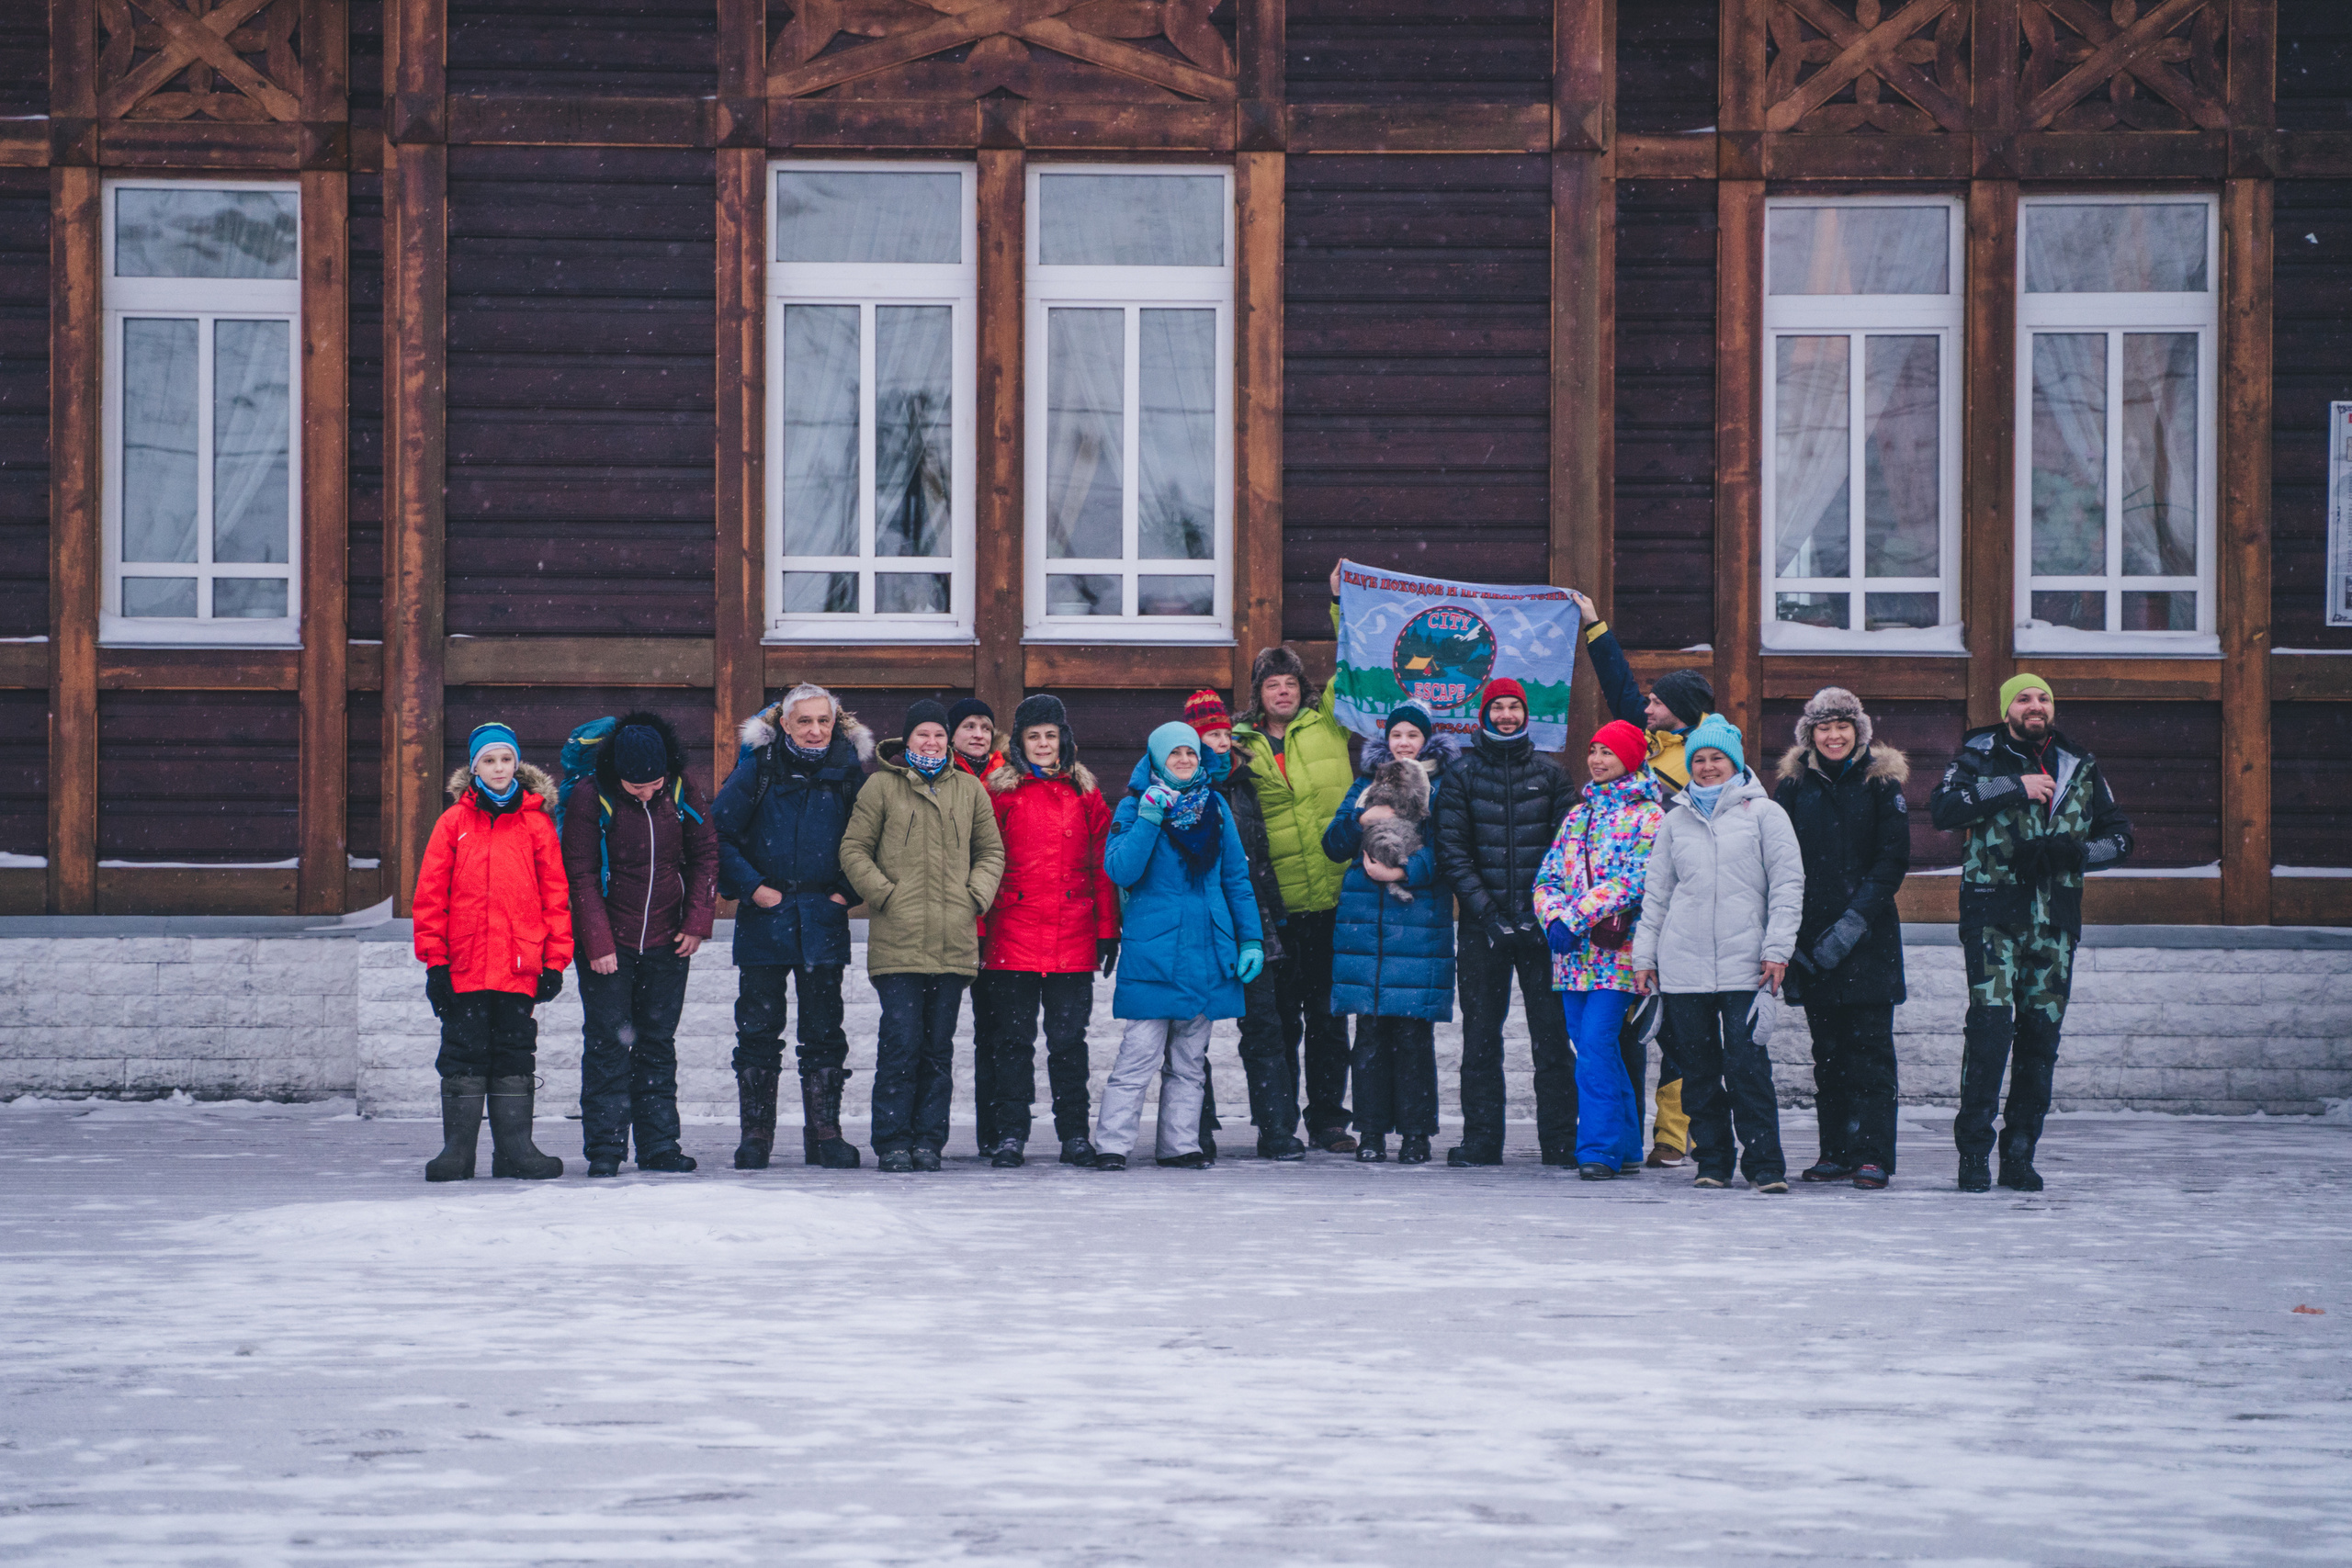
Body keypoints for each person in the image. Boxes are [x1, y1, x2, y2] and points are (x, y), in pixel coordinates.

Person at [1929, 673, 2132, 1193]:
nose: (2035, 705)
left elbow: (2122, 840)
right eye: (2024, 698)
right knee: (1991, 1034)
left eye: (2042, 698)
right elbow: (1944, 810)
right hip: (1994, 915)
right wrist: (2012, 787)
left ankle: (2020, 1153)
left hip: (2055, 922)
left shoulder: (2078, 764)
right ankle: (1974, 1153)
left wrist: (2080, 854)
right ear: (2007, 710)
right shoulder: (1979, 755)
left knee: (2040, 1040)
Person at [1630, 716, 1804, 1193]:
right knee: (1699, 1073)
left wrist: (1777, 949)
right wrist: (1644, 958)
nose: (1707, 768)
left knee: (1747, 1069)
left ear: (1735, 763)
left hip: (1746, 964)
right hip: (1683, 966)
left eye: (1716, 759)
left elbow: (1788, 886)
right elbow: (1657, 896)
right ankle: (1713, 1161)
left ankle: (1765, 1165)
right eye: (1699, 760)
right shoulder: (1675, 819)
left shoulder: (1765, 815)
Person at [1566, 588, 1702, 1167]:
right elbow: (1620, 685)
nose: (1644, 708)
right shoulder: (1643, 743)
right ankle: (1624, 1135)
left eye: (1656, 702)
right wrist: (1594, 625)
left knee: (1679, 1028)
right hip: (1629, 919)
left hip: (1682, 908)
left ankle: (1675, 1134)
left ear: (1682, 708)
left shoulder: (1706, 754)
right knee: (1633, 1027)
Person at [840, 699, 1006, 1172]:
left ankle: (929, 1142)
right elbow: (854, 849)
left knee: (938, 1049)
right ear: (906, 740)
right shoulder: (881, 787)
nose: (930, 742)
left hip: (953, 940)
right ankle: (892, 1141)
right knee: (901, 1045)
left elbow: (991, 851)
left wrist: (974, 896)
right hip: (899, 941)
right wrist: (884, 895)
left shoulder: (970, 790)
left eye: (937, 734)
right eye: (922, 735)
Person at [1091, 722, 1265, 1170]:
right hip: (1154, 950)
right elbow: (1121, 870)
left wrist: (1251, 940)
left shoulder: (1216, 807)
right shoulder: (1134, 806)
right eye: (1175, 754)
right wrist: (1150, 818)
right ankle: (1112, 1145)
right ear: (1156, 759)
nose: (1185, 760)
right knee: (1138, 1057)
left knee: (1190, 1060)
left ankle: (1179, 1144)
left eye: (1191, 752)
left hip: (1208, 948)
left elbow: (1235, 880)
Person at [717, 684, 873, 1170]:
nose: (814, 730)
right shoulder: (757, 769)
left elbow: (873, 839)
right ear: (784, 724)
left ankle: (825, 1134)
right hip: (765, 914)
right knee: (759, 1030)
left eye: (822, 721)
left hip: (823, 917)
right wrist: (752, 887)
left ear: (835, 723)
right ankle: (756, 1136)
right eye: (803, 721)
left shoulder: (849, 772)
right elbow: (718, 836)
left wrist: (846, 892)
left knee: (825, 1032)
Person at [1229, 575, 1359, 1153]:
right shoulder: (1235, 744)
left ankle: (1329, 1119)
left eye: (1290, 684)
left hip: (1333, 899)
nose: (1282, 693)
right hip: (1272, 907)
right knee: (1275, 1023)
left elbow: (1357, 658)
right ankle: (1274, 1123)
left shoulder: (1327, 720)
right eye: (1271, 685)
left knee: (1329, 1022)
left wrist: (1341, 601)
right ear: (1257, 693)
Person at [562, 711, 718, 1178]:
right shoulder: (591, 797)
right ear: (618, 776)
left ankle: (659, 1146)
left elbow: (706, 854)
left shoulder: (681, 788)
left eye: (654, 784)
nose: (647, 793)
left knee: (656, 1044)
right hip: (609, 943)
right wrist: (597, 941)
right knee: (609, 1044)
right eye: (637, 787)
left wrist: (696, 922)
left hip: (669, 941)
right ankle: (606, 1149)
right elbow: (581, 873)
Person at [1433, 674, 1580, 1166]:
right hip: (1483, 929)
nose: (1506, 716)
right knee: (1479, 1038)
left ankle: (1559, 1141)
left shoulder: (1552, 774)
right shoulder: (1463, 775)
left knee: (1553, 1040)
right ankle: (1481, 1140)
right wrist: (1489, 915)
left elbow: (1568, 852)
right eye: (1497, 708)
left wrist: (1543, 915)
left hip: (1545, 930)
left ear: (1525, 714)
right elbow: (1453, 852)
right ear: (1484, 714)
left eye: (1514, 707)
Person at [414, 722, 571, 1182]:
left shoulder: (537, 824)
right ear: (475, 767)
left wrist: (555, 961)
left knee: (514, 1052)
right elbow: (430, 898)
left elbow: (555, 898)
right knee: (463, 1052)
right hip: (464, 964)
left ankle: (516, 1151)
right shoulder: (453, 823)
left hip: (520, 964)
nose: (499, 768)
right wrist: (435, 962)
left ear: (516, 764)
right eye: (489, 760)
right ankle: (457, 1153)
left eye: (506, 759)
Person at [1774, 688, 1911, 1190]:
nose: (1833, 736)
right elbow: (1780, 861)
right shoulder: (1793, 786)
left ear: (1859, 731)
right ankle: (1835, 1150)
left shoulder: (1882, 782)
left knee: (1871, 1054)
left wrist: (1853, 923)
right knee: (1827, 1055)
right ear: (1809, 735)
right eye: (1823, 728)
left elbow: (1891, 860)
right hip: (1812, 943)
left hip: (1868, 940)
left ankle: (1872, 1154)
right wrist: (1789, 934)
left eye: (1842, 727)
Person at [975, 694, 1117, 1168]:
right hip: (1011, 932)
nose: (1042, 744)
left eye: (1050, 736)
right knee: (1012, 1043)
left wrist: (1107, 930)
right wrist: (978, 927)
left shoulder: (1086, 794)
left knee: (1068, 1042)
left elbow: (1102, 867)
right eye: (1032, 736)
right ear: (1018, 742)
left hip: (1073, 935)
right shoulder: (999, 793)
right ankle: (1011, 1134)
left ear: (1064, 741)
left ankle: (1074, 1134)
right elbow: (982, 862)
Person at [1322, 704, 1456, 1164]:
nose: (1404, 742)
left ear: (1426, 742)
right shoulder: (1364, 787)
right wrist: (1357, 821)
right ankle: (1373, 1132)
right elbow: (1334, 846)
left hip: (1416, 927)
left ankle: (1416, 1134)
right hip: (1366, 929)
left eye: (1412, 735)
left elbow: (1448, 851)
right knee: (1371, 1036)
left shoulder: (1441, 789)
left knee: (1413, 1036)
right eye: (1396, 734)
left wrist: (1404, 869)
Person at [1532, 719, 1665, 1180]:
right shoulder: (1578, 815)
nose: (1596, 760)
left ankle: (1598, 1150)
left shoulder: (1649, 815)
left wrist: (1574, 917)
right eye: (1593, 750)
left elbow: (1635, 879)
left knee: (1594, 1045)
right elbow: (1547, 876)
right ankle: (1627, 1144)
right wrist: (1551, 916)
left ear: (1629, 758)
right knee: (1593, 1048)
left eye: (1607, 752)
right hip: (1571, 958)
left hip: (1618, 954)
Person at [1189, 685, 1296, 1160]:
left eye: (1221, 733)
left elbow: (1260, 860)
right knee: (1194, 1034)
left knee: (1265, 1029)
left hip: (1255, 924)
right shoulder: (1182, 790)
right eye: (1207, 735)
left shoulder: (1246, 784)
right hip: (1203, 928)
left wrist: (1274, 917)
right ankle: (1197, 1128)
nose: (1217, 742)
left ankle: (1275, 1129)